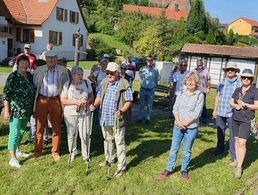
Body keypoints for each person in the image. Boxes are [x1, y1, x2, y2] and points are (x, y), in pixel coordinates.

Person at [90, 62, 133, 177]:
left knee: (119, 142)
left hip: (117, 119)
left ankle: (121, 167)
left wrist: (121, 111)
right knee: (107, 140)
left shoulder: (124, 83)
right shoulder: (105, 82)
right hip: (104, 117)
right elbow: (99, 96)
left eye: (111, 73)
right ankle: (109, 159)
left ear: (118, 73)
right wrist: (94, 105)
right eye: (107, 73)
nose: (109, 75)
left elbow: (129, 101)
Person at [160, 72, 204, 181]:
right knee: (174, 148)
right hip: (177, 126)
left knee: (187, 150)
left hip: (191, 128)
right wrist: (178, 122)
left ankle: (184, 169)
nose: (190, 82)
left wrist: (186, 123)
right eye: (188, 80)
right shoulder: (180, 93)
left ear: (196, 82)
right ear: (185, 81)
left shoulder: (200, 95)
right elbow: (175, 109)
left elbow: (197, 113)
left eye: (192, 80)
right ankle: (169, 168)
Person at [33, 50, 68, 161]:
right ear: (46, 59)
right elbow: (35, 83)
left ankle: (55, 151)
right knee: (40, 127)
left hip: (56, 101)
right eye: (48, 58)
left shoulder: (63, 70)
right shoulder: (39, 70)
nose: (51, 60)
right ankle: (38, 151)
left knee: (56, 127)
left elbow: (66, 85)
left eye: (53, 58)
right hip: (42, 100)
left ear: (57, 59)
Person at [3, 54, 35, 168]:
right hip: (16, 110)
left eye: (26, 63)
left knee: (22, 131)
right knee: (15, 132)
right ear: (18, 64)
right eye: (22, 63)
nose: (24, 65)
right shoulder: (13, 77)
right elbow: (6, 94)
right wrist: (7, 110)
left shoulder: (30, 76)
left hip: (26, 110)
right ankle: (12, 158)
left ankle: (17, 149)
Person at [61, 66, 94, 161]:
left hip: (84, 113)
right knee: (72, 134)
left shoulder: (87, 83)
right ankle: (72, 152)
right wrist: (76, 102)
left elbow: (92, 96)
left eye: (82, 74)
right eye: (78, 75)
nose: (81, 76)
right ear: (73, 75)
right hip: (71, 113)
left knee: (85, 134)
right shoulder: (67, 84)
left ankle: (85, 154)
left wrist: (87, 102)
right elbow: (63, 100)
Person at [230, 69, 258, 179]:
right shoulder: (237, 89)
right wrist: (235, 105)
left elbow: (257, 106)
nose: (246, 79)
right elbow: (231, 101)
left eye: (248, 78)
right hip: (235, 119)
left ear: (251, 79)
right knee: (236, 140)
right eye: (244, 77)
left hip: (246, 120)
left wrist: (245, 105)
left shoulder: (255, 91)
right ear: (241, 78)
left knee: (242, 142)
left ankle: (239, 167)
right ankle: (237, 160)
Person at [212, 63, 241, 164]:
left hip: (232, 113)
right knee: (220, 132)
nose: (229, 71)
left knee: (233, 135)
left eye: (232, 69)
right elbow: (217, 96)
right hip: (220, 111)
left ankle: (234, 156)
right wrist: (215, 110)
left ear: (236, 71)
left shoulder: (240, 83)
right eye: (228, 69)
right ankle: (219, 150)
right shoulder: (222, 81)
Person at [137, 56, 160, 124]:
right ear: (146, 61)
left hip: (151, 90)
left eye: (151, 60)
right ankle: (140, 118)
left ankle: (147, 118)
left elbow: (156, 79)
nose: (149, 61)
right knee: (142, 104)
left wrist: (153, 86)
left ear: (152, 61)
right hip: (143, 89)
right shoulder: (142, 69)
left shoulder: (155, 70)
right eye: (148, 60)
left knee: (149, 105)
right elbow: (141, 78)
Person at [192, 58, 211, 124]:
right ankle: (195, 117)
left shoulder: (206, 70)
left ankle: (204, 118)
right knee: (194, 103)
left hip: (203, 90)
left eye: (200, 64)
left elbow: (208, 80)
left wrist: (208, 88)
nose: (199, 66)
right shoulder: (193, 70)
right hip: (195, 90)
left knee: (203, 104)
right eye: (198, 64)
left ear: (202, 64)